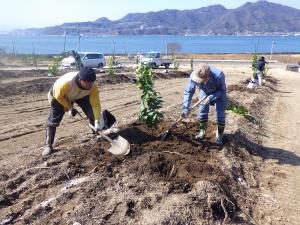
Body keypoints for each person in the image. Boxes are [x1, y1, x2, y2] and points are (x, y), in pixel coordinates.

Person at [43, 67, 114, 157]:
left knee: (91, 112)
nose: (90, 85)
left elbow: (96, 104)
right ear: (81, 80)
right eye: (88, 83)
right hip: (60, 97)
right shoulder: (67, 82)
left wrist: (96, 121)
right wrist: (69, 107)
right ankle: (48, 146)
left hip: (80, 95)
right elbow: (58, 96)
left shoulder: (93, 86)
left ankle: (96, 134)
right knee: (54, 120)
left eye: (91, 82)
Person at [182, 64, 227, 145]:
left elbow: (222, 90)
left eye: (201, 80)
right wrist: (185, 108)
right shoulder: (194, 75)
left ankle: (219, 135)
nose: (198, 81)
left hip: (219, 93)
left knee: (220, 114)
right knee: (202, 111)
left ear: (208, 77)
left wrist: (211, 97)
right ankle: (202, 132)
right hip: (205, 91)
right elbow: (188, 91)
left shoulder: (219, 76)